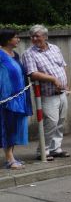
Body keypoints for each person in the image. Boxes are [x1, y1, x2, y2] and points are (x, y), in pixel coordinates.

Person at [21, 25, 69, 161]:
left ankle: (56, 148)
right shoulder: (29, 53)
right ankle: (43, 150)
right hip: (47, 94)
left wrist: (66, 82)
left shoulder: (55, 48)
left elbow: (63, 66)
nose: (35, 39)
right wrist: (53, 79)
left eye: (37, 36)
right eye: (32, 36)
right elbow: (32, 73)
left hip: (62, 91)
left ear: (45, 36)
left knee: (61, 120)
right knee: (51, 122)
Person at [1, 29, 32, 169]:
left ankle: (12, 156)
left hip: (19, 98)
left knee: (15, 127)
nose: (18, 39)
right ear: (8, 39)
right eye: (16, 37)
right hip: (6, 99)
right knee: (8, 127)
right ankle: (9, 159)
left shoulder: (15, 55)